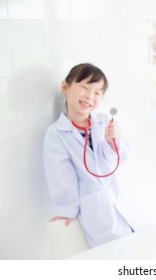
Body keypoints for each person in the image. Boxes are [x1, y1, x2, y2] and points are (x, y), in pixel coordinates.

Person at [43, 63, 141, 248]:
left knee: (143, 251)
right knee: (117, 255)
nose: (90, 96)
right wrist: (67, 211)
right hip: (99, 212)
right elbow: (61, 177)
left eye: (97, 92)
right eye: (85, 88)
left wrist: (112, 142)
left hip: (125, 200)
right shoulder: (56, 135)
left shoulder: (106, 122)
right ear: (65, 87)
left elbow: (119, 160)